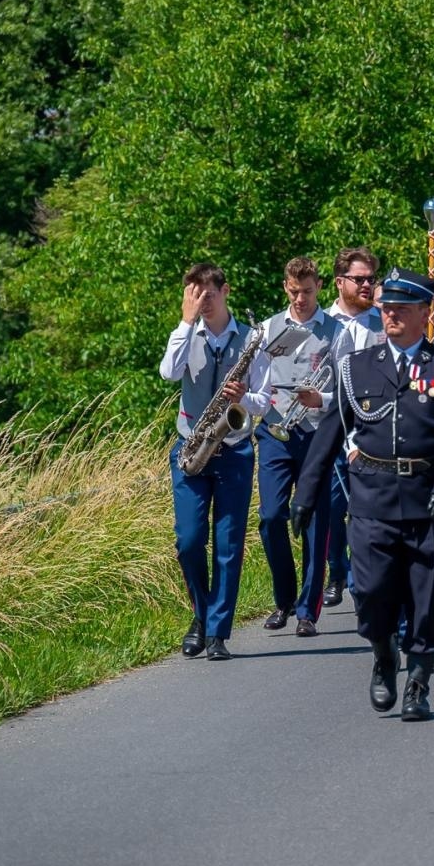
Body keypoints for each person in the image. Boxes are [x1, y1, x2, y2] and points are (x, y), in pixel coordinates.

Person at [292, 269, 434, 721]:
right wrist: (306, 494)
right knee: (372, 592)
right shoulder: (357, 366)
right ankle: (383, 654)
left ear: (427, 313)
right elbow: (332, 431)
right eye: (386, 306)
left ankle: (418, 680)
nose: (390, 314)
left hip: (427, 498)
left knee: (428, 598)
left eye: (402, 307)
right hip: (372, 497)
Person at [159, 263, 268, 661]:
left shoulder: (252, 340)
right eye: (194, 294)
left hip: (235, 448)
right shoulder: (186, 334)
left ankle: (218, 632)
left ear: (225, 291)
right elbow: (168, 374)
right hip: (192, 447)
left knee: (228, 544)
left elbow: (264, 400)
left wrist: (243, 398)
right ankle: (201, 617)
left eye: (207, 294)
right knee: (189, 541)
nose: (201, 302)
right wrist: (185, 324)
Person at [253, 257, 345, 637]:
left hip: (317, 435)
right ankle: (284, 599)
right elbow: (255, 382)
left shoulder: (336, 330)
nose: (301, 298)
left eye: (307, 291)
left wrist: (319, 399)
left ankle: (308, 610)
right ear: (284, 287)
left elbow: (344, 387)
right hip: (275, 430)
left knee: (315, 523)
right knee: (271, 517)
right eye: (294, 292)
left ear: (319, 287)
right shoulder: (267, 329)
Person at [320, 247, 385, 607]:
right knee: (331, 507)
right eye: (359, 279)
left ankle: (364, 580)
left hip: (369, 431)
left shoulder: (382, 322)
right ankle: (336, 571)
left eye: (370, 280)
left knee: (367, 512)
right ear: (339, 282)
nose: (366, 285)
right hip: (331, 429)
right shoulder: (323, 323)